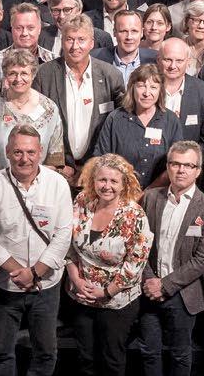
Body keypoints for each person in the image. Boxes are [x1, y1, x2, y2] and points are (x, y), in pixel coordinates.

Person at [0, 126, 73, 376]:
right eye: (18, 152)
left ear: (40, 151)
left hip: (46, 285)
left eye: (31, 152)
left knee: (45, 352)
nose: (25, 158)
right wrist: (18, 272)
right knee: (1, 352)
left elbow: (64, 235)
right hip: (5, 285)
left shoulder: (58, 184)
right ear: (7, 152)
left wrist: (35, 272)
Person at [64, 153, 153, 376]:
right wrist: (75, 279)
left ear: (124, 184)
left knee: (111, 360)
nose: (107, 186)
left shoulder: (134, 214)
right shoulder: (82, 201)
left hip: (117, 301)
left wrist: (106, 292)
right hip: (81, 295)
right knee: (85, 358)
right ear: (93, 180)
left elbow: (135, 264)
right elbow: (68, 246)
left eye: (114, 181)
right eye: (102, 179)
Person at [136, 140, 204, 376]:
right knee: (148, 351)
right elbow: (140, 244)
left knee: (180, 354)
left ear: (198, 170)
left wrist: (165, 285)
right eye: (175, 164)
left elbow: (203, 259)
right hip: (148, 289)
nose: (181, 170)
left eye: (188, 165)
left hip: (182, 293)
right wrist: (150, 281)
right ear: (168, 167)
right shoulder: (150, 198)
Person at [33, 16, 127, 185]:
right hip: (56, 170)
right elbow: (36, 125)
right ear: (62, 42)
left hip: (98, 171)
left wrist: (94, 165)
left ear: (92, 43)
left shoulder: (111, 75)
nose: (75, 46)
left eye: (81, 40)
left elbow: (120, 127)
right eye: (69, 39)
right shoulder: (44, 74)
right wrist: (58, 165)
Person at [92, 64, 196, 189]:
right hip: (120, 193)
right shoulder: (115, 118)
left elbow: (176, 163)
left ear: (160, 91)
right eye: (141, 86)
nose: (147, 93)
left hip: (158, 193)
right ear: (132, 88)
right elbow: (100, 159)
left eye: (153, 87)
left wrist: (147, 194)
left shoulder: (171, 120)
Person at [0, 49, 64, 176]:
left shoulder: (49, 109)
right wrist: (0, 183)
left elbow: (54, 158)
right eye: (12, 73)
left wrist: (33, 183)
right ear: (5, 76)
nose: (18, 79)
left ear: (33, 75)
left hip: (39, 184)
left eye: (24, 73)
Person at [0, 3, 56, 97]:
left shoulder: (54, 61)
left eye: (30, 28)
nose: (24, 33)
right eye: (19, 28)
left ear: (39, 29)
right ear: (12, 29)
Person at [93, 9, 158, 84]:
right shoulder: (95, 58)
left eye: (134, 31)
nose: (129, 37)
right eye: (123, 31)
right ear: (114, 32)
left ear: (142, 33)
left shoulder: (156, 60)